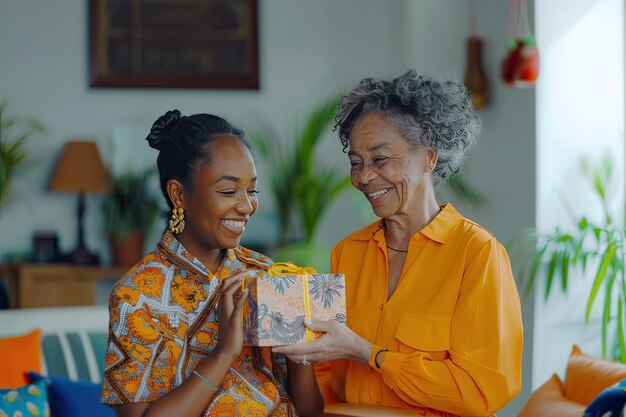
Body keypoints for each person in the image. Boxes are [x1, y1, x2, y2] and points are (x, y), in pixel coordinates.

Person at [273, 70, 524, 417]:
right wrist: (294, 349)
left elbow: (480, 393)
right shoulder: (347, 252)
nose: (363, 177)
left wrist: (369, 354)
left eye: (380, 159)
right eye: (356, 163)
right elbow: (324, 381)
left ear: (430, 157)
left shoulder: (477, 254)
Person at [101, 110, 323, 417]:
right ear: (178, 194)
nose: (247, 206)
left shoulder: (263, 272)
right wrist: (223, 353)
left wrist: (301, 351)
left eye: (252, 190)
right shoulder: (136, 294)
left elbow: (310, 412)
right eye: (228, 191)